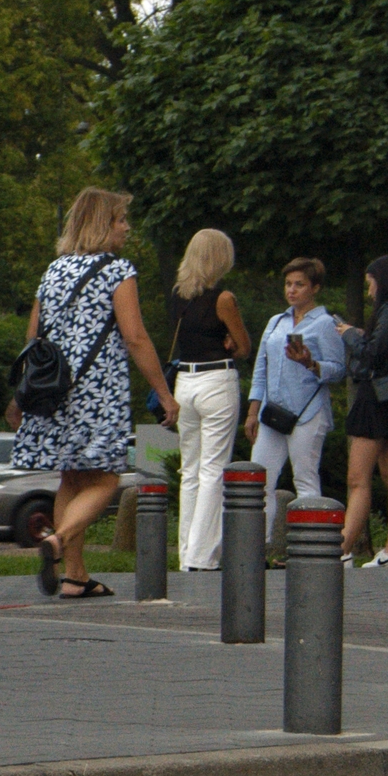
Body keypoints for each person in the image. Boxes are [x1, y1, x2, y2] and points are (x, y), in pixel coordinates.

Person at [11, 187, 178, 598]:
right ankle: (58, 539)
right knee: (106, 478)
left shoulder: (53, 271)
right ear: (103, 224)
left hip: (55, 391)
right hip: (97, 391)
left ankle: (75, 576)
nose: (126, 228)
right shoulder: (118, 270)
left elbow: (33, 336)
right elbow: (135, 336)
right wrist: (164, 392)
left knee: (71, 477)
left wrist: (21, 395)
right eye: (121, 220)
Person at [243, 255, 344, 564]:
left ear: (314, 288)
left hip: (307, 412)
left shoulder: (325, 323)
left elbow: (339, 370)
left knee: (305, 478)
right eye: (288, 284)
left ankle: (308, 551)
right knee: (259, 480)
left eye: (299, 284)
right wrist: (252, 410)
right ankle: (254, 548)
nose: (292, 290)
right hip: (273, 412)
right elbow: (261, 366)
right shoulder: (277, 321)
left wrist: (310, 363)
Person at [169, 229, 252, 570]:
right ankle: (203, 555)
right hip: (216, 380)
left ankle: (186, 551)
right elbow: (244, 346)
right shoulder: (224, 299)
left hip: (184, 383)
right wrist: (232, 341)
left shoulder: (178, 295)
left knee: (189, 469)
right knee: (213, 468)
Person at [337, 254, 388, 568]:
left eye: (370, 284)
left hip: (375, 398)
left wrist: (350, 334)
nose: (369, 292)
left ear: (382, 281)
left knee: (358, 479)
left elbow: (373, 353)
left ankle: (342, 549)